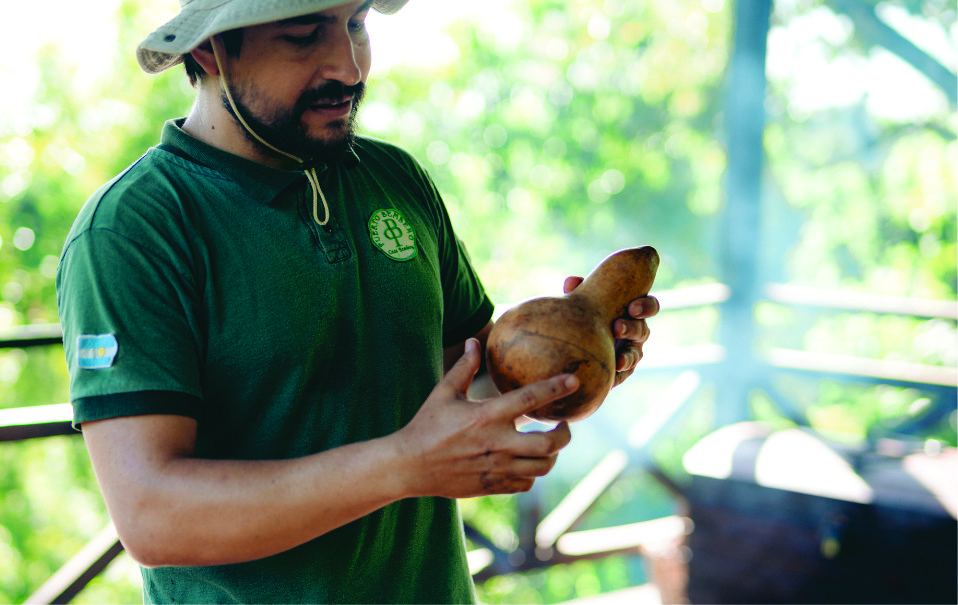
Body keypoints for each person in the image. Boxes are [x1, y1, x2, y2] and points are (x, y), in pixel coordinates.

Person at [55, 0, 660, 602]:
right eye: (301, 35)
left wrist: (565, 365)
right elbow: (152, 517)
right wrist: (403, 464)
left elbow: (464, 397)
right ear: (208, 49)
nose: (348, 66)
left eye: (356, 25)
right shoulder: (133, 230)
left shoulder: (396, 178)